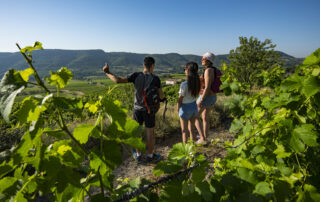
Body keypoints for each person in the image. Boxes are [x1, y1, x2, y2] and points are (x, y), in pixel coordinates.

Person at [102, 56, 165, 164]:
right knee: (150, 132)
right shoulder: (156, 79)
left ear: (143, 65)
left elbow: (118, 80)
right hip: (149, 110)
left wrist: (107, 72)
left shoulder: (136, 76)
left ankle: (139, 155)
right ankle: (150, 156)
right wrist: (162, 99)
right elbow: (161, 95)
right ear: (152, 66)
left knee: (137, 133)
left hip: (137, 110)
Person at [177, 62, 203, 143]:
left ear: (188, 70)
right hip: (193, 106)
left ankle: (186, 151)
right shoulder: (197, 82)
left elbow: (180, 99)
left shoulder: (184, 84)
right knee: (191, 129)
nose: (184, 70)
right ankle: (192, 150)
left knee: (184, 131)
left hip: (185, 108)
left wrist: (178, 109)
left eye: (185, 69)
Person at [195, 52, 218, 144]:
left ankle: (202, 138)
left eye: (203, 59)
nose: (202, 60)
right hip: (212, 97)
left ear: (208, 61)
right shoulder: (214, 69)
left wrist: (201, 99)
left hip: (206, 97)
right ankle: (205, 136)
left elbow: (207, 87)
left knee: (195, 116)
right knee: (205, 117)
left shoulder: (208, 71)